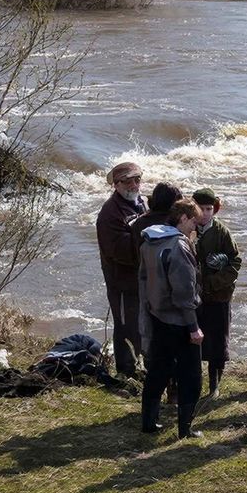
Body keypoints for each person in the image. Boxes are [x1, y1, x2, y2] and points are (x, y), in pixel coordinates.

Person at [138, 199, 204, 438]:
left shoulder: (150, 242)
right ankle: (185, 430)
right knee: (191, 377)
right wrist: (194, 327)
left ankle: (148, 423)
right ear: (183, 218)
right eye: (193, 222)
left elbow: (143, 281)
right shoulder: (179, 247)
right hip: (180, 321)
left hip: (157, 316)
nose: (194, 228)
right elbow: (185, 291)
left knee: (158, 370)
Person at [96, 162, 147, 378]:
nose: (134, 185)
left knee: (140, 324)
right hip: (121, 281)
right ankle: (125, 372)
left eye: (137, 179)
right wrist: (146, 240)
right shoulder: (110, 213)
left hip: (140, 279)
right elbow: (119, 250)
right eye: (128, 181)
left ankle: (139, 366)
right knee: (125, 324)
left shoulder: (140, 203)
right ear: (116, 185)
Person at [192, 188, 241, 399]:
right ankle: (192, 385)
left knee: (218, 344)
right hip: (192, 298)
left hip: (218, 296)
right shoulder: (188, 229)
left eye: (209, 209)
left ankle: (214, 387)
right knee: (192, 343)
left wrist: (212, 283)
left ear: (215, 209)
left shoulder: (222, 232)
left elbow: (235, 262)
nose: (205, 213)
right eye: (201, 208)